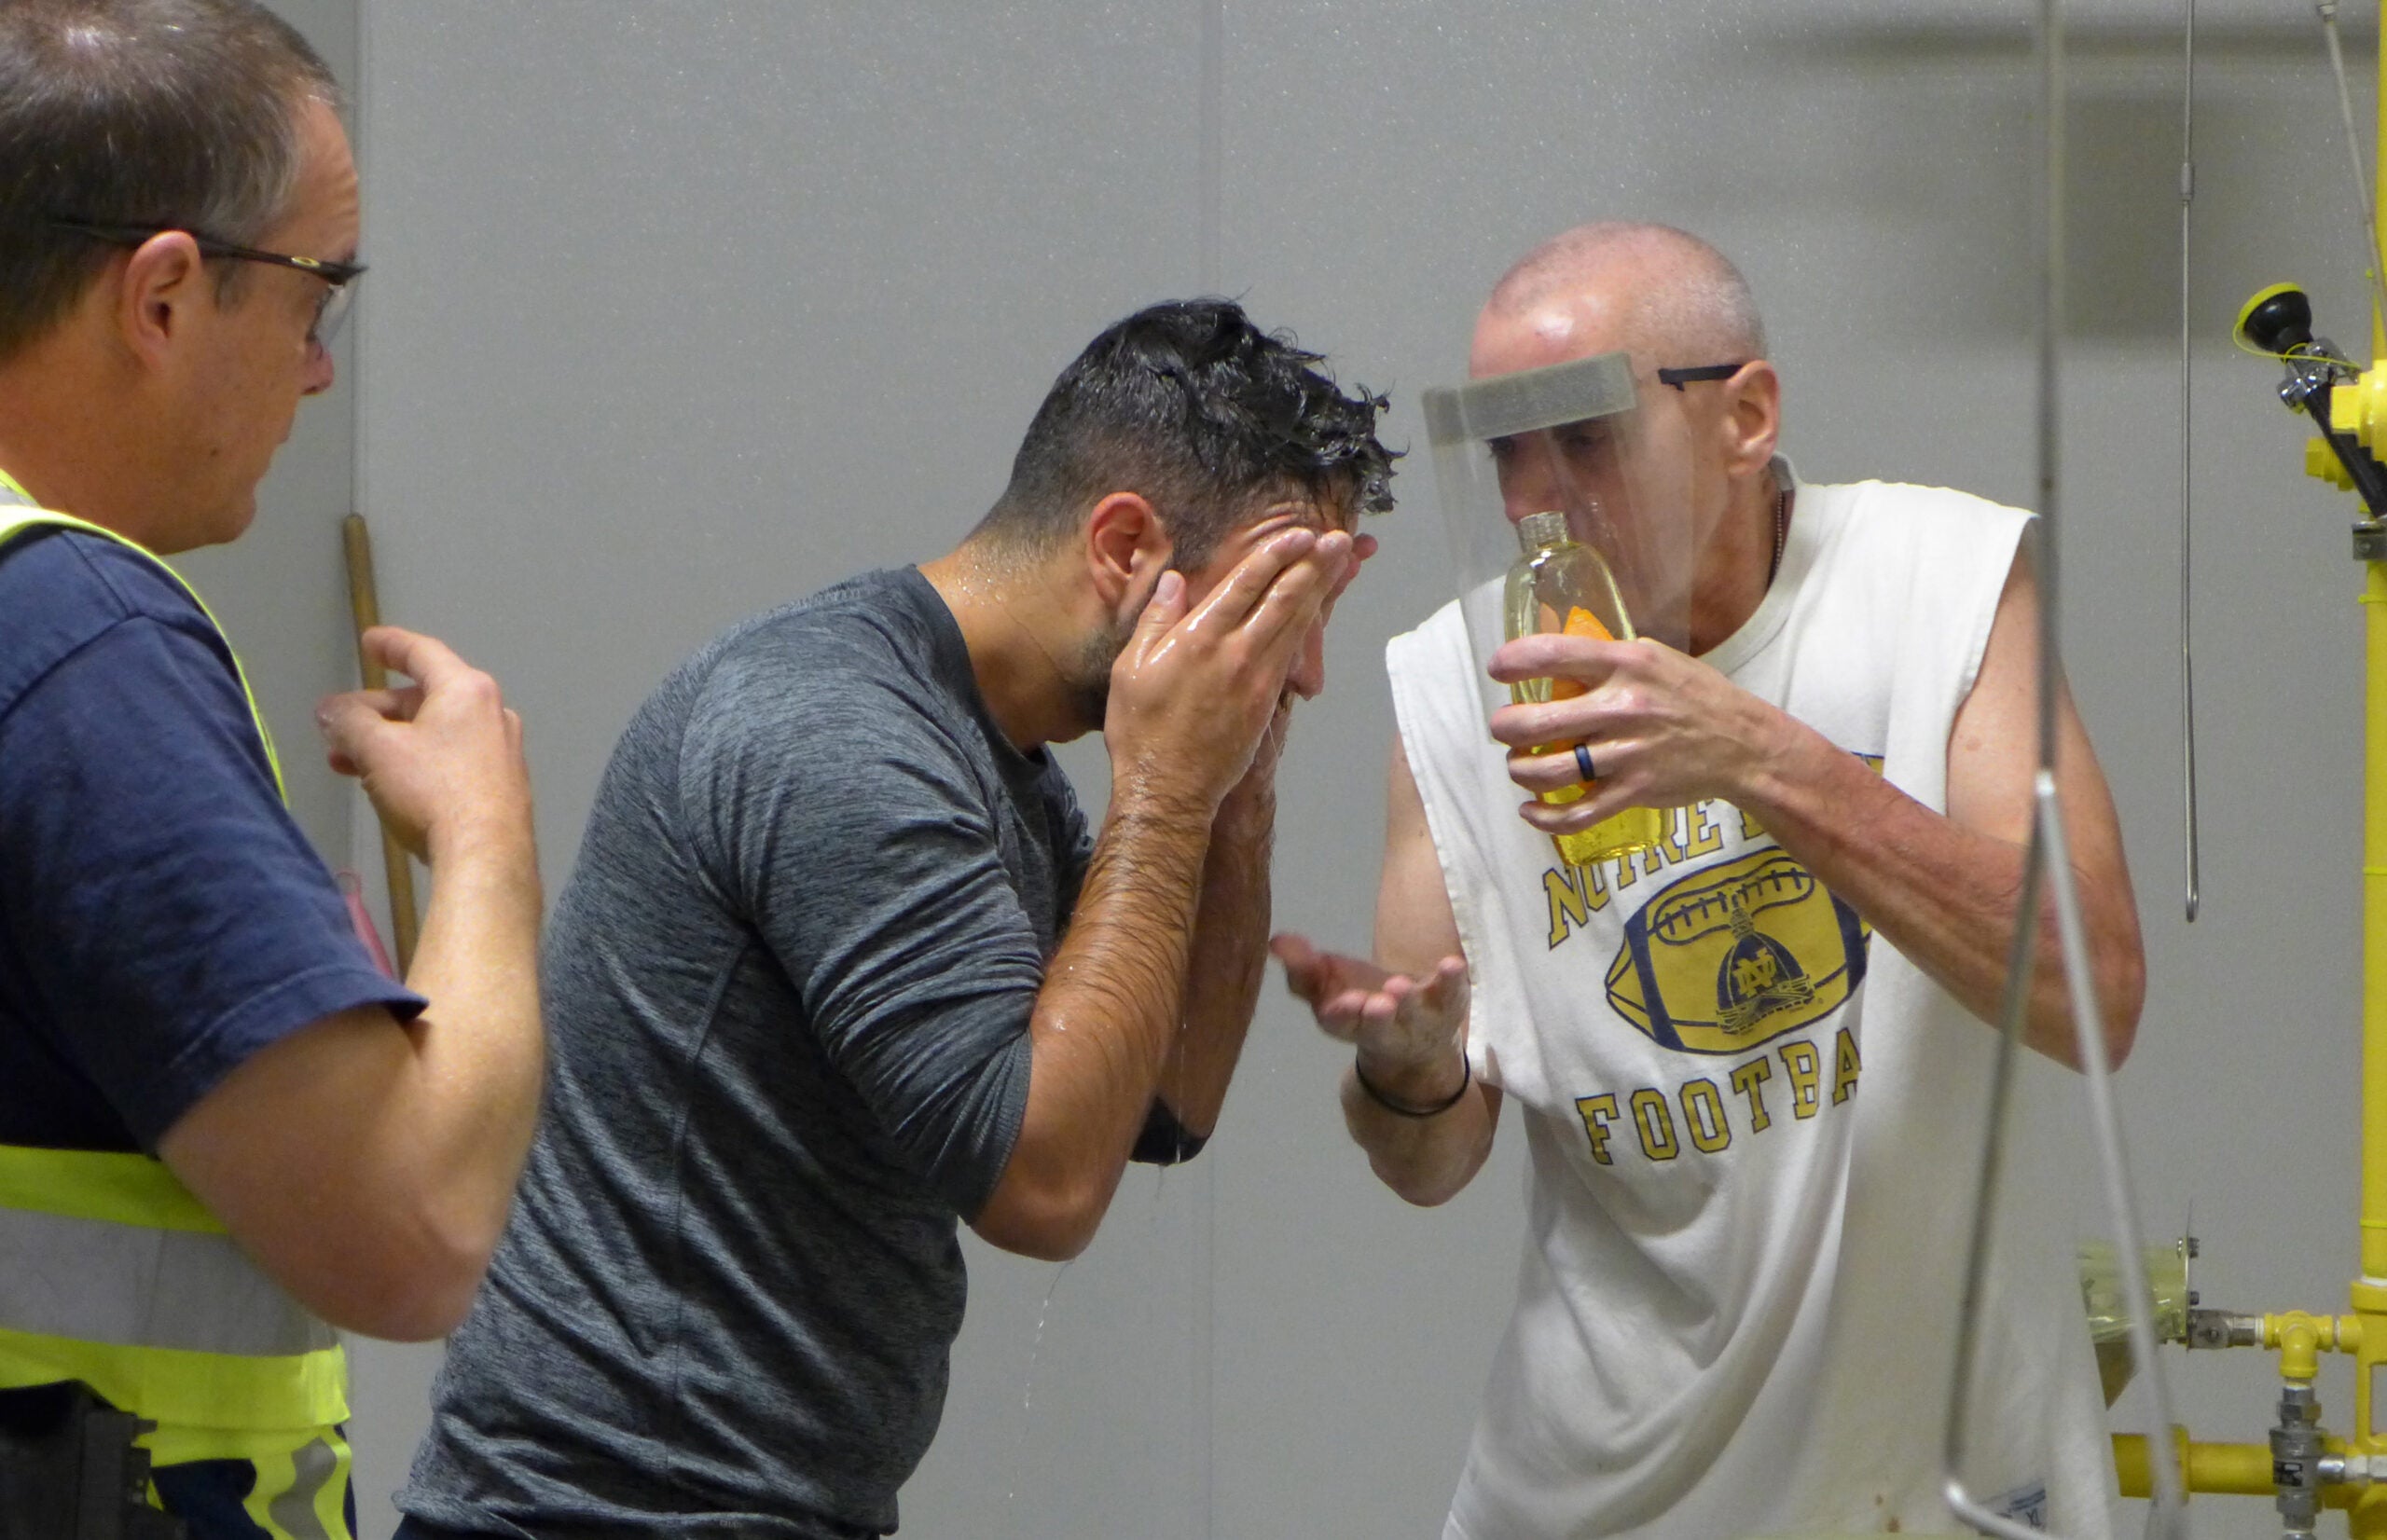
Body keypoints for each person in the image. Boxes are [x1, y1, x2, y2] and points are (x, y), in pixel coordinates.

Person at [393, 298, 1394, 1540]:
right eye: (1276, 619)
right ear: (1126, 546)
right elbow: (1042, 1186)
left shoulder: (1000, 762)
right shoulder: (837, 736)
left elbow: (1164, 1100)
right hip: (601, 1514)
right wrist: (1174, 787)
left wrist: (1237, 789)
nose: (1302, 673)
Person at [1274, 223, 2146, 1540]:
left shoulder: (1937, 582)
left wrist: (1762, 758)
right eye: (1505, 449)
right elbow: (1433, 1162)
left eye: (1583, 436)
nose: (1533, 502)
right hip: (1609, 1492)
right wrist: (1410, 1072)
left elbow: (2097, 994)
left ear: (1745, 417)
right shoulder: (1460, 689)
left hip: (1946, 1487)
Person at [0, 3, 545, 1536]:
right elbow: (417, 1230)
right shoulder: (73, 648)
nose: (316, 376)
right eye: (318, 298)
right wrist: (487, 842)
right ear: (163, 297)